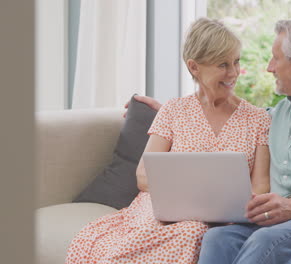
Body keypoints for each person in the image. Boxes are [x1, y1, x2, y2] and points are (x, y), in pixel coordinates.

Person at [133, 17, 291, 263]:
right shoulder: (279, 114)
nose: (269, 67)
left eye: (275, 58)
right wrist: (169, 110)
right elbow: (229, 119)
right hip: (280, 216)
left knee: (266, 240)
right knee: (217, 238)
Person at [65, 18, 271, 264]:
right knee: (165, 234)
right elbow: (143, 175)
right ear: (194, 67)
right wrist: (189, 198)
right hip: (161, 209)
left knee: (193, 231)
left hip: (220, 221)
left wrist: (216, 208)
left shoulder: (258, 119)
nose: (234, 73)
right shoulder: (173, 110)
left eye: (236, 62)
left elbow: (260, 188)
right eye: (223, 65)